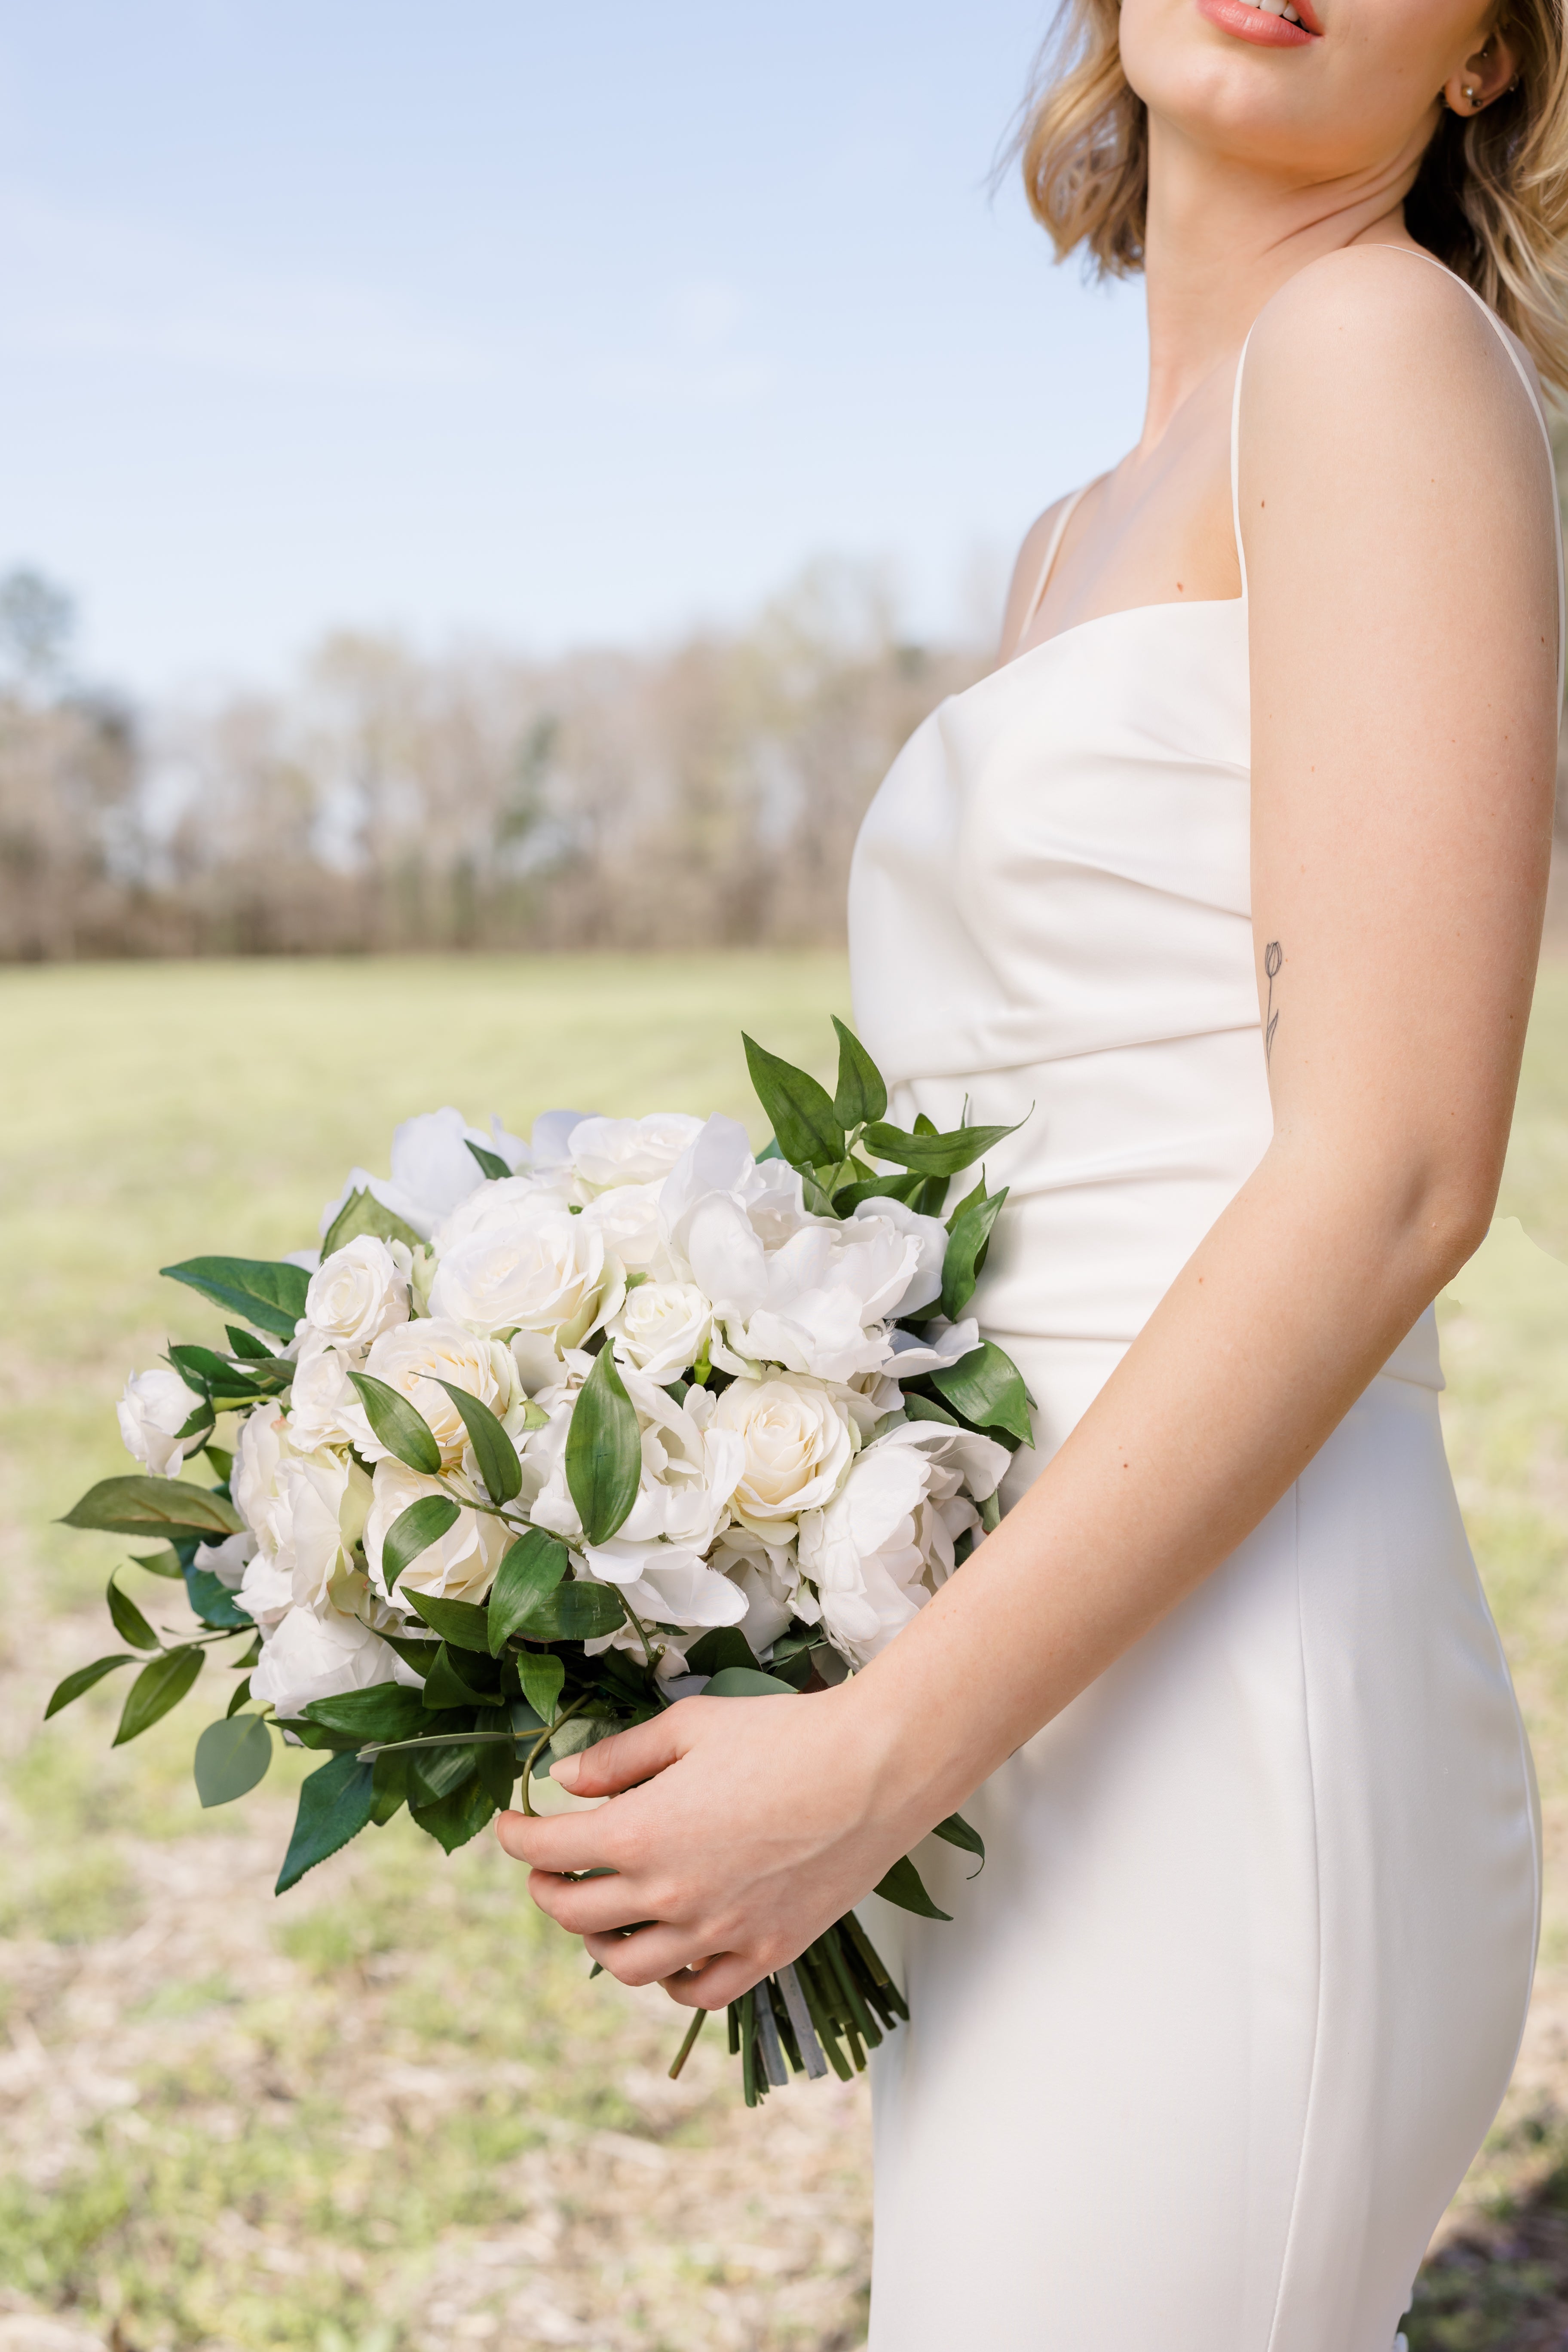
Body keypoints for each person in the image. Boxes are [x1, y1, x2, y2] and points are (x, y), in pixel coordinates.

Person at [497, 0, 1567, 2339]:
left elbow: (1395, 1169)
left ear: (1490, 59)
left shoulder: (1383, 355)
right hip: (1019, 1667)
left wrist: (874, 1755)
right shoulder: (1070, 537)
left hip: (1233, 1680)